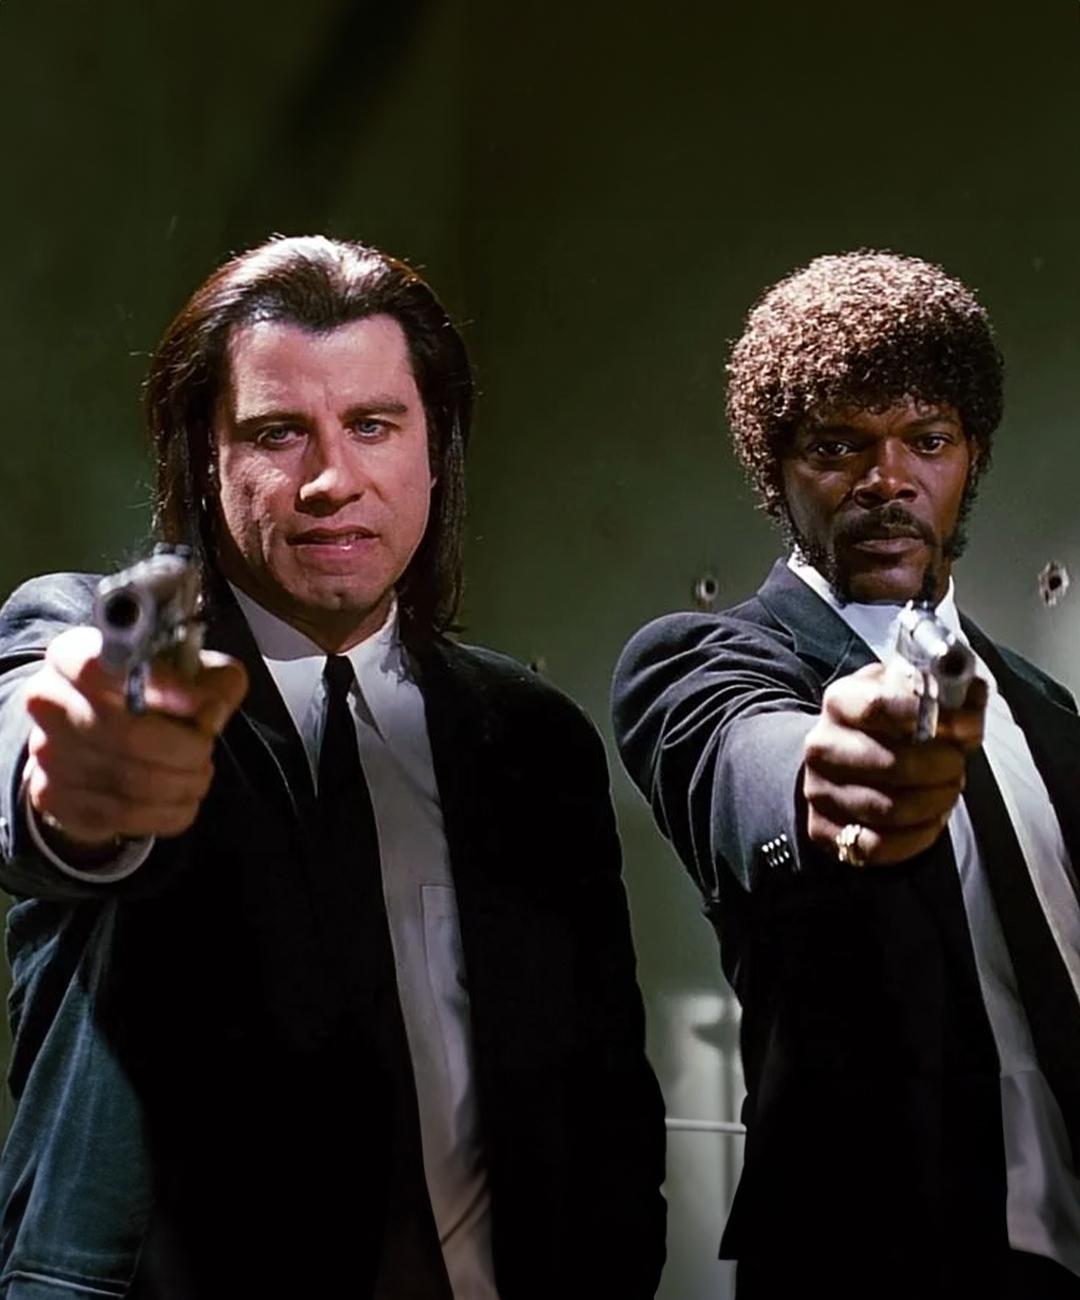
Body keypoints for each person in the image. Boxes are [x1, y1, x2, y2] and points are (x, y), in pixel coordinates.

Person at [0, 235, 666, 1300]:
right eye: (277, 433)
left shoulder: (533, 739)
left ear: (434, 450)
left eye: (372, 425)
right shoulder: (92, 643)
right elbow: (40, 751)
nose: (331, 481)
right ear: (203, 458)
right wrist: (78, 779)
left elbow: (607, 1097)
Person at [613, 251, 1080, 1299]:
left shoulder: (1045, 713)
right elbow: (748, 759)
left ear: (971, 457)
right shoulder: (701, 663)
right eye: (838, 446)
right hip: (875, 1262)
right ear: (773, 470)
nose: (888, 480)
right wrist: (830, 773)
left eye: (928, 440)